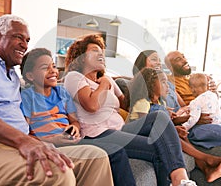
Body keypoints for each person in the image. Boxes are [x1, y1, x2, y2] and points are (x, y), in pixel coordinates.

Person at [0, 14, 114, 186]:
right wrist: (25, 141)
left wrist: (38, 142)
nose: (25, 45)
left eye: (27, 40)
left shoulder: (12, 75)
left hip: (12, 147)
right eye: (18, 37)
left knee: (96, 157)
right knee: (56, 173)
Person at [63, 34, 196, 186]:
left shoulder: (107, 80)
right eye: (94, 50)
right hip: (97, 134)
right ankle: (179, 181)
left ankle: (181, 180)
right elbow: (92, 105)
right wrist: (105, 84)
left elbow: (126, 104)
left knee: (159, 116)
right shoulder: (75, 77)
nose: (101, 54)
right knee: (162, 149)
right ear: (81, 57)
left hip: (121, 129)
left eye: (102, 51)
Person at [20, 47, 134, 186]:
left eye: (54, 66)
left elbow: (74, 121)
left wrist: (74, 127)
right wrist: (52, 139)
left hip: (72, 140)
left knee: (116, 151)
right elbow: (23, 134)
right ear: (30, 76)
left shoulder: (61, 92)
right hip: (48, 144)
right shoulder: (26, 97)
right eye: (45, 68)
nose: (53, 71)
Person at [129, 68, 221, 183]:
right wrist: (173, 128)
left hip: (160, 132)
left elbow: (167, 123)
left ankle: (206, 169)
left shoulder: (161, 103)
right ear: (150, 85)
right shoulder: (142, 103)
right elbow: (142, 125)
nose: (168, 87)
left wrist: (182, 121)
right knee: (174, 137)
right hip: (141, 135)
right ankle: (206, 158)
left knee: (183, 136)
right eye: (164, 82)